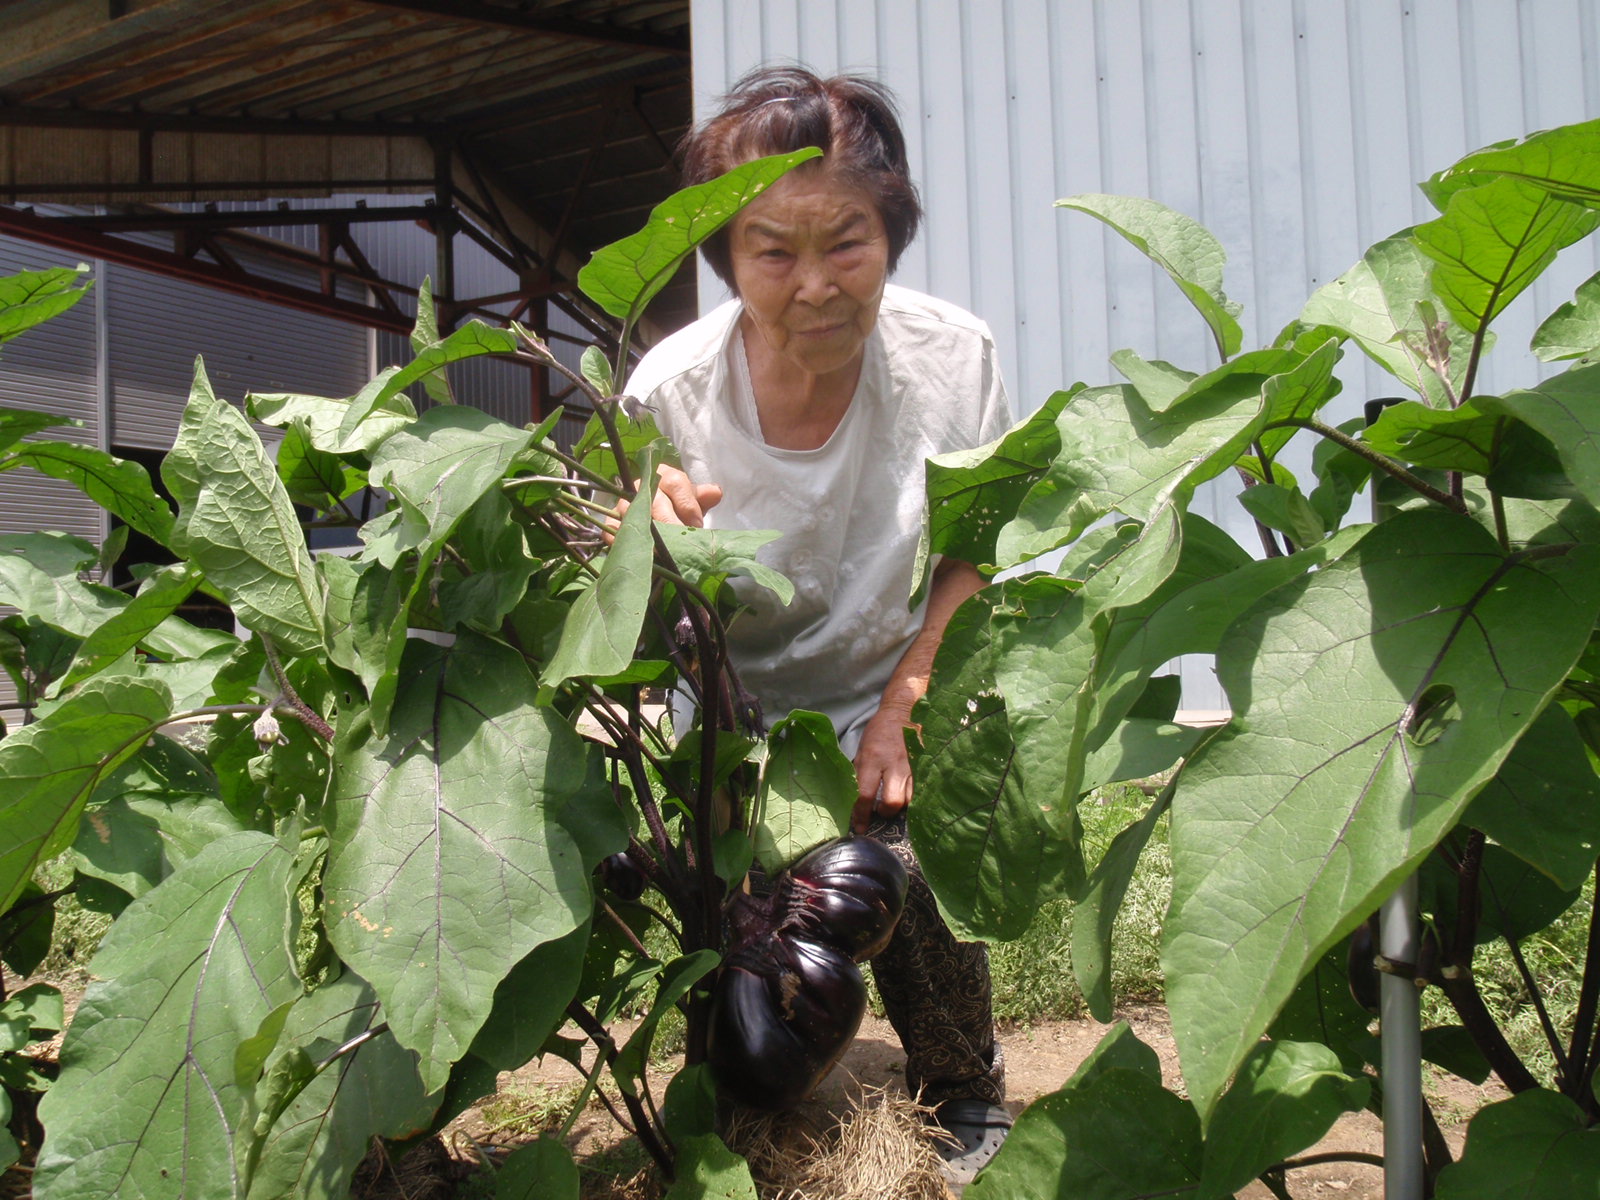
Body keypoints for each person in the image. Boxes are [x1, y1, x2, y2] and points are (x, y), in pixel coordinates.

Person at [622, 65, 1014, 1188]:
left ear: (890, 234)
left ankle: (958, 1083)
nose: (814, 286)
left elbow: (968, 553)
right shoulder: (673, 394)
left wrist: (906, 705)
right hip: (728, 712)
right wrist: (642, 539)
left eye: (845, 243)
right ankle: (739, 1092)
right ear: (726, 260)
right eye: (770, 253)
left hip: (887, 682)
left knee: (913, 855)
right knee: (717, 919)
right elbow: (641, 608)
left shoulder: (954, 361)